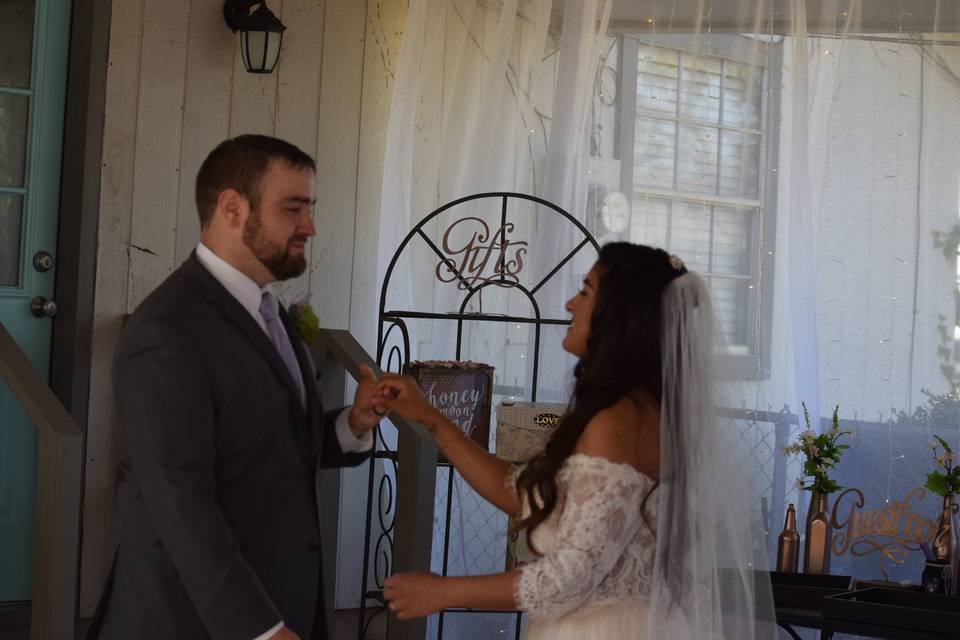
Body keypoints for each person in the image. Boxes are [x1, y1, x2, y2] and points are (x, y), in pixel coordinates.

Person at [374, 243, 774, 639]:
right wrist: (431, 419)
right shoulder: (647, 413)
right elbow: (524, 494)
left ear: (619, 315)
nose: (569, 304)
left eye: (584, 291)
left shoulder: (616, 420)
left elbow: (566, 579)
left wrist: (444, 590)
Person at [90, 135, 384, 640]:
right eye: (293, 209)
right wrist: (261, 629)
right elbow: (179, 502)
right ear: (231, 207)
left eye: (309, 208)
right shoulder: (167, 332)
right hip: (192, 619)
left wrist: (351, 425)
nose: (309, 227)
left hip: (279, 599)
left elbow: (266, 448)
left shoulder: (269, 315)